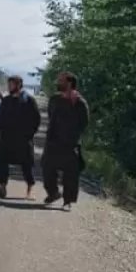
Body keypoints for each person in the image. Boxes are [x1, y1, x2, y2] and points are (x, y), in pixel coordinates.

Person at [42, 72, 90, 211]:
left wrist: (73, 134)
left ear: (69, 83)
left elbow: (84, 122)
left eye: (61, 81)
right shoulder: (55, 99)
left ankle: (67, 201)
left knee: (70, 174)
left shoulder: (79, 102)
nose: (58, 83)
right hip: (53, 141)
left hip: (70, 143)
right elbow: (51, 116)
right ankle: (53, 193)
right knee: (47, 168)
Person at [0, 75, 41, 199]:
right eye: (9, 84)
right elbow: (1, 117)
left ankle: (29, 191)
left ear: (19, 85)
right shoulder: (6, 100)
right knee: (1, 161)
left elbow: (37, 119)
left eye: (11, 84)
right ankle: (2, 189)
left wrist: (29, 134)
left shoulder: (28, 100)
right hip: (7, 139)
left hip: (23, 139)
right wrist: (2, 131)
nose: (9, 87)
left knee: (26, 166)